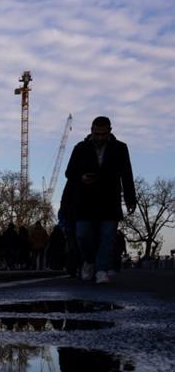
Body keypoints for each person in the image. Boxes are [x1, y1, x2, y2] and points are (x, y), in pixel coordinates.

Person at [64, 116, 136, 284]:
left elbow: (127, 174)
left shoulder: (120, 148)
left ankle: (102, 269)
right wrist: (81, 177)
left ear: (110, 131)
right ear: (92, 130)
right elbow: (69, 173)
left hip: (109, 199)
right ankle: (89, 261)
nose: (100, 138)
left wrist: (130, 198)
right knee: (82, 235)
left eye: (103, 134)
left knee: (108, 236)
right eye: (97, 134)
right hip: (85, 200)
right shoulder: (80, 148)